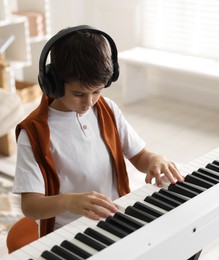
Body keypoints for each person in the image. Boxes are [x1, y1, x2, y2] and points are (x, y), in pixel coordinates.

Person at [12, 25, 183, 237]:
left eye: (97, 91)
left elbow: (140, 156)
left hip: (114, 220)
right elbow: (30, 206)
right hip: (67, 233)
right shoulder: (33, 133)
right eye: (79, 93)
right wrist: (68, 201)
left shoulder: (107, 109)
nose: (89, 102)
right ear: (53, 83)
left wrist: (155, 160)